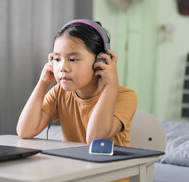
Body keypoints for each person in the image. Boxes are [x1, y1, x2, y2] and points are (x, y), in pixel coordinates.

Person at [16, 19, 137, 148]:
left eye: (73, 59)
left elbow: (94, 139)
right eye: (57, 59)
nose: (62, 67)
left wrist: (111, 86)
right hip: (75, 166)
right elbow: (25, 131)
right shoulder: (59, 93)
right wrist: (43, 83)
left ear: (100, 60)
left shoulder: (125, 97)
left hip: (115, 167)